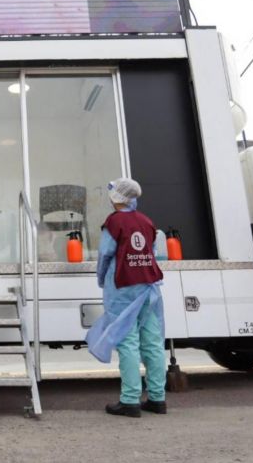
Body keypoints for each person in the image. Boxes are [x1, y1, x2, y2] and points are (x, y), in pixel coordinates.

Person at [85, 178, 168, 418]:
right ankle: (157, 398)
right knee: (152, 342)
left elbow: (105, 255)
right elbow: (154, 253)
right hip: (149, 288)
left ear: (116, 197)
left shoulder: (114, 222)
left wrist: (101, 280)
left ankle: (130, 400)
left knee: (127, 341)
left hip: (123, 288)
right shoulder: (146, 221)